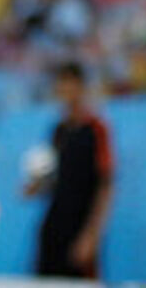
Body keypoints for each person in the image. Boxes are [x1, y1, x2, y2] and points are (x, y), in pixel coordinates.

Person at [25, 62, 113, 278]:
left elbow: (106, 186)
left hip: (79, 230)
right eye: (61, 86)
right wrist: (35, 186)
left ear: (82, 88)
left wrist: (91, 235)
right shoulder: (58, 130)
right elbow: (53, 180)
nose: (65, 92)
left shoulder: (96, 129)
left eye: (70, 86)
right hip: (54, 228)